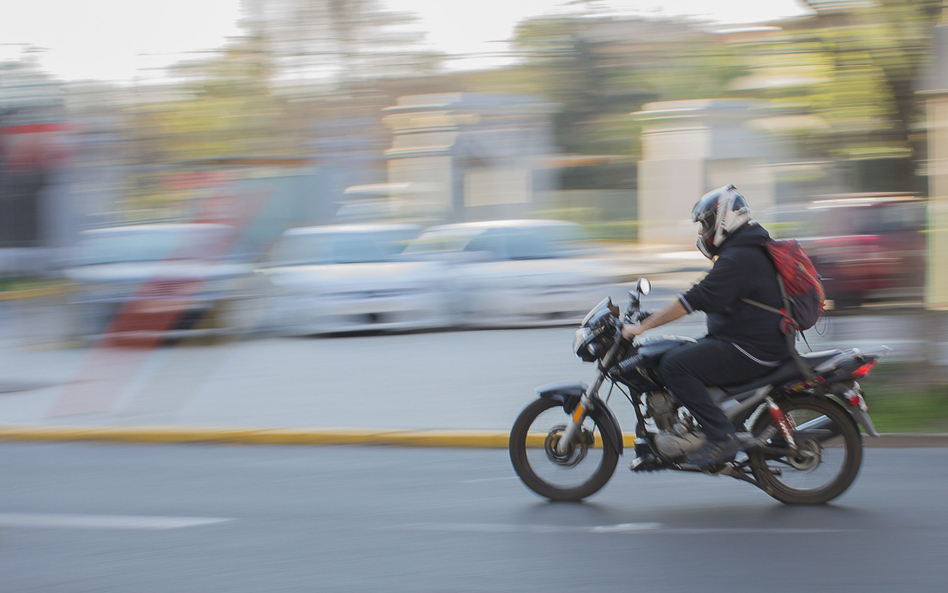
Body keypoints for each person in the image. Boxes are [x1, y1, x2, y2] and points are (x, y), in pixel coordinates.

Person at [621, 184, 791, 468]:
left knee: (675, 365)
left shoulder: (739, 258)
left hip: (752, 349)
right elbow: (710, 297)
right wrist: (649, 316)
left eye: (705, 224)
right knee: (678, 351)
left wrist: (643, 327)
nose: (702, 233)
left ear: (724, 220)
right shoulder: (743, 250)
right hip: (750, 341)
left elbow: (694, 299)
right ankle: (695, 428)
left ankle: (722, 437)